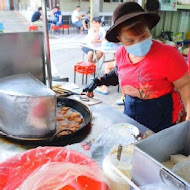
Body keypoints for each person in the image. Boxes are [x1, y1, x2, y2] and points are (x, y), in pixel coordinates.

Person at [82, 2, 190, 133]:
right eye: (130, 41)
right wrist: (99, 81)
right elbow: (120, 73)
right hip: (131, 115)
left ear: (148, 29)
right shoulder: (121, 53)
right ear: (119, 39)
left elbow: (185, 86)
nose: (138, 43)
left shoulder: (169, 55)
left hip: (163, 118)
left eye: (143, 36)